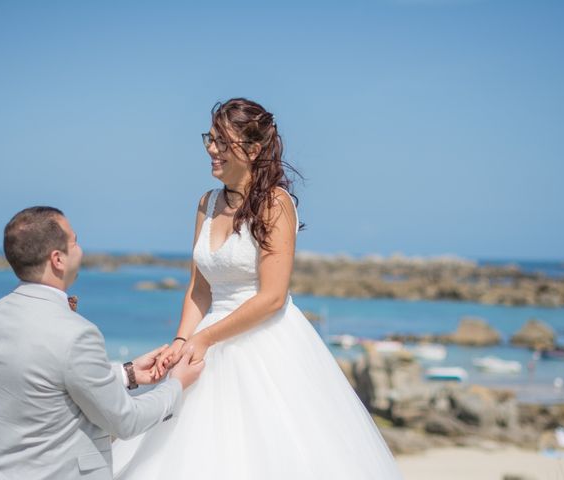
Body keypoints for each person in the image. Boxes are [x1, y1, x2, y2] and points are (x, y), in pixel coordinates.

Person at [112, 98, 403, 479]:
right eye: (210, 139)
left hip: (265, 340)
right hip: (206, 341)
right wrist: (182, 341)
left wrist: (206, 339)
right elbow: (200, 287)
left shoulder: (274, 204)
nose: (211, 149)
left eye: (221, 141)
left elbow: (272, 297)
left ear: (251, 149)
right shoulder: (206, 203)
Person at [0, 207, 204, 480]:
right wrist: (177, 385)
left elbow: (44, 379)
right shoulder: (76, 333)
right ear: (57, 259)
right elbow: (126, 421)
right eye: (75, 242)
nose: (80, 250)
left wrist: (127, 374)